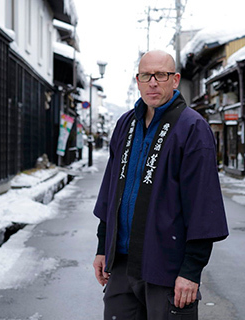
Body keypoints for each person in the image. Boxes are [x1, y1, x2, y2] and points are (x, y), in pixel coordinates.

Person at [91, 50, 229, 320]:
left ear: (175, 80)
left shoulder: (192, 128)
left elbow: (202, 204)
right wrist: (101, 247)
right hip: (121, 265)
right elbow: (111, 191)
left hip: (167, 267)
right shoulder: (125, 125)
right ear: (138, 80)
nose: (153, 82)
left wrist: (191, 271)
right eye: (146, 75)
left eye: (161, 75)